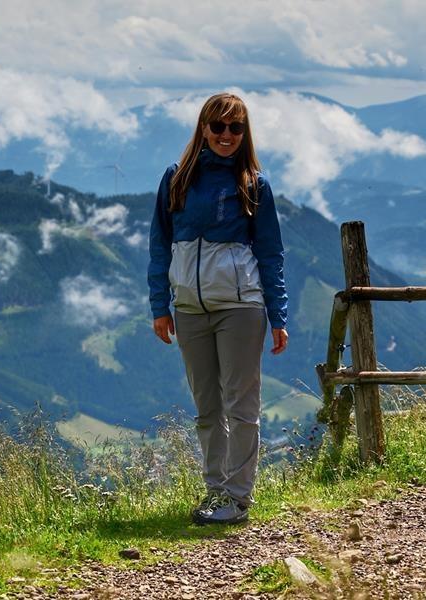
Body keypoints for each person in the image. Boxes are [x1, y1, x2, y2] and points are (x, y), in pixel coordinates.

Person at [147, 92, 288, 525]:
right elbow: (160, 245)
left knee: (241, 406)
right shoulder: (176, 178)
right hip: (189, 309)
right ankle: (216, 492)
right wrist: (159, 305)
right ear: (204, 128)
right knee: (207, 408)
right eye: (219, 126)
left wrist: (278, 315)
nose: (227, 135)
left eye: (236, 127)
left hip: (241, 308)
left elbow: (270, 253)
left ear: (245, 132)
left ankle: (237, 498)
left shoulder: (253, 183)